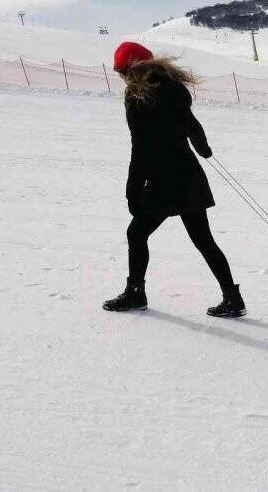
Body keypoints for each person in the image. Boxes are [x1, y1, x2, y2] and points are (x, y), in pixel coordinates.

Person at [103, 41, 246, 318]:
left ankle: (135, 294)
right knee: (203, 240)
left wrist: (132, 192)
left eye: (121, 72)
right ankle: (232, 298)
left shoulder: (138, 96)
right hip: (189, 175)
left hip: (163, 182)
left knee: (136, 234)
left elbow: (140, 148)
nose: (121, 78)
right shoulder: (174, 89)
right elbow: (191, 123)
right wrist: (203, 148)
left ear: (132, 70)